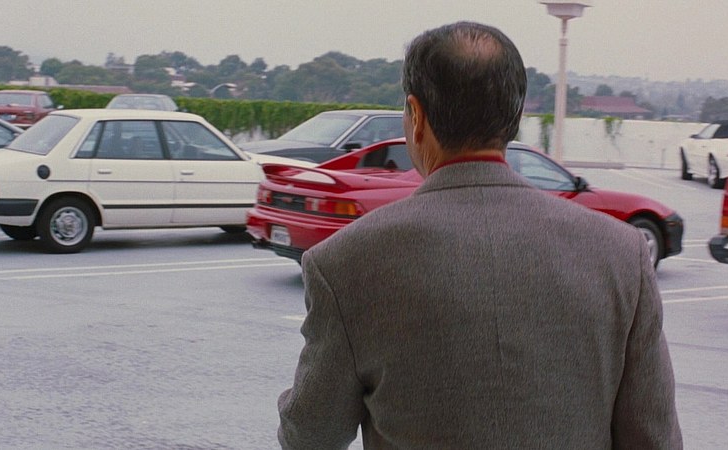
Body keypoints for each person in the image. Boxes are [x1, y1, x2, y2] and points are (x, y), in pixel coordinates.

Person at [278, 21, 682, 449]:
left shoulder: (346, 263)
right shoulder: (620, 253)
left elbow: (310, 435)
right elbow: (653, 439)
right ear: (514, 117)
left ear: (417, 117)